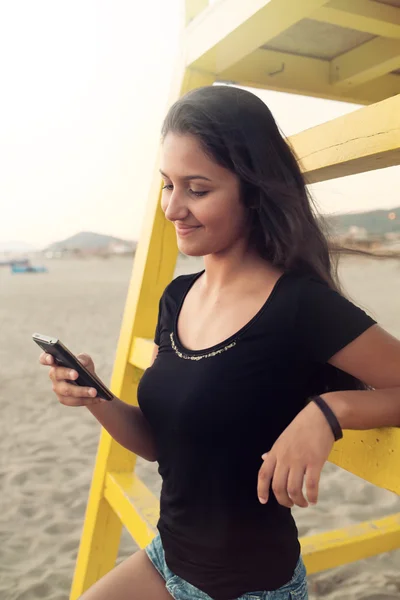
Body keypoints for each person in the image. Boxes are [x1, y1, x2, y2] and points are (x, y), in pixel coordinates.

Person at [39, 85, 400, 600]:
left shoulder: (301, 306)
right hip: (165, 559)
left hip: (247, 588)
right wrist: (96, 397)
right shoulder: (178, 297)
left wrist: (330, 410)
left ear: (253, 192)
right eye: (167, 185)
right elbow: (163, 444)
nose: (173, 209)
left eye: (198, 189)